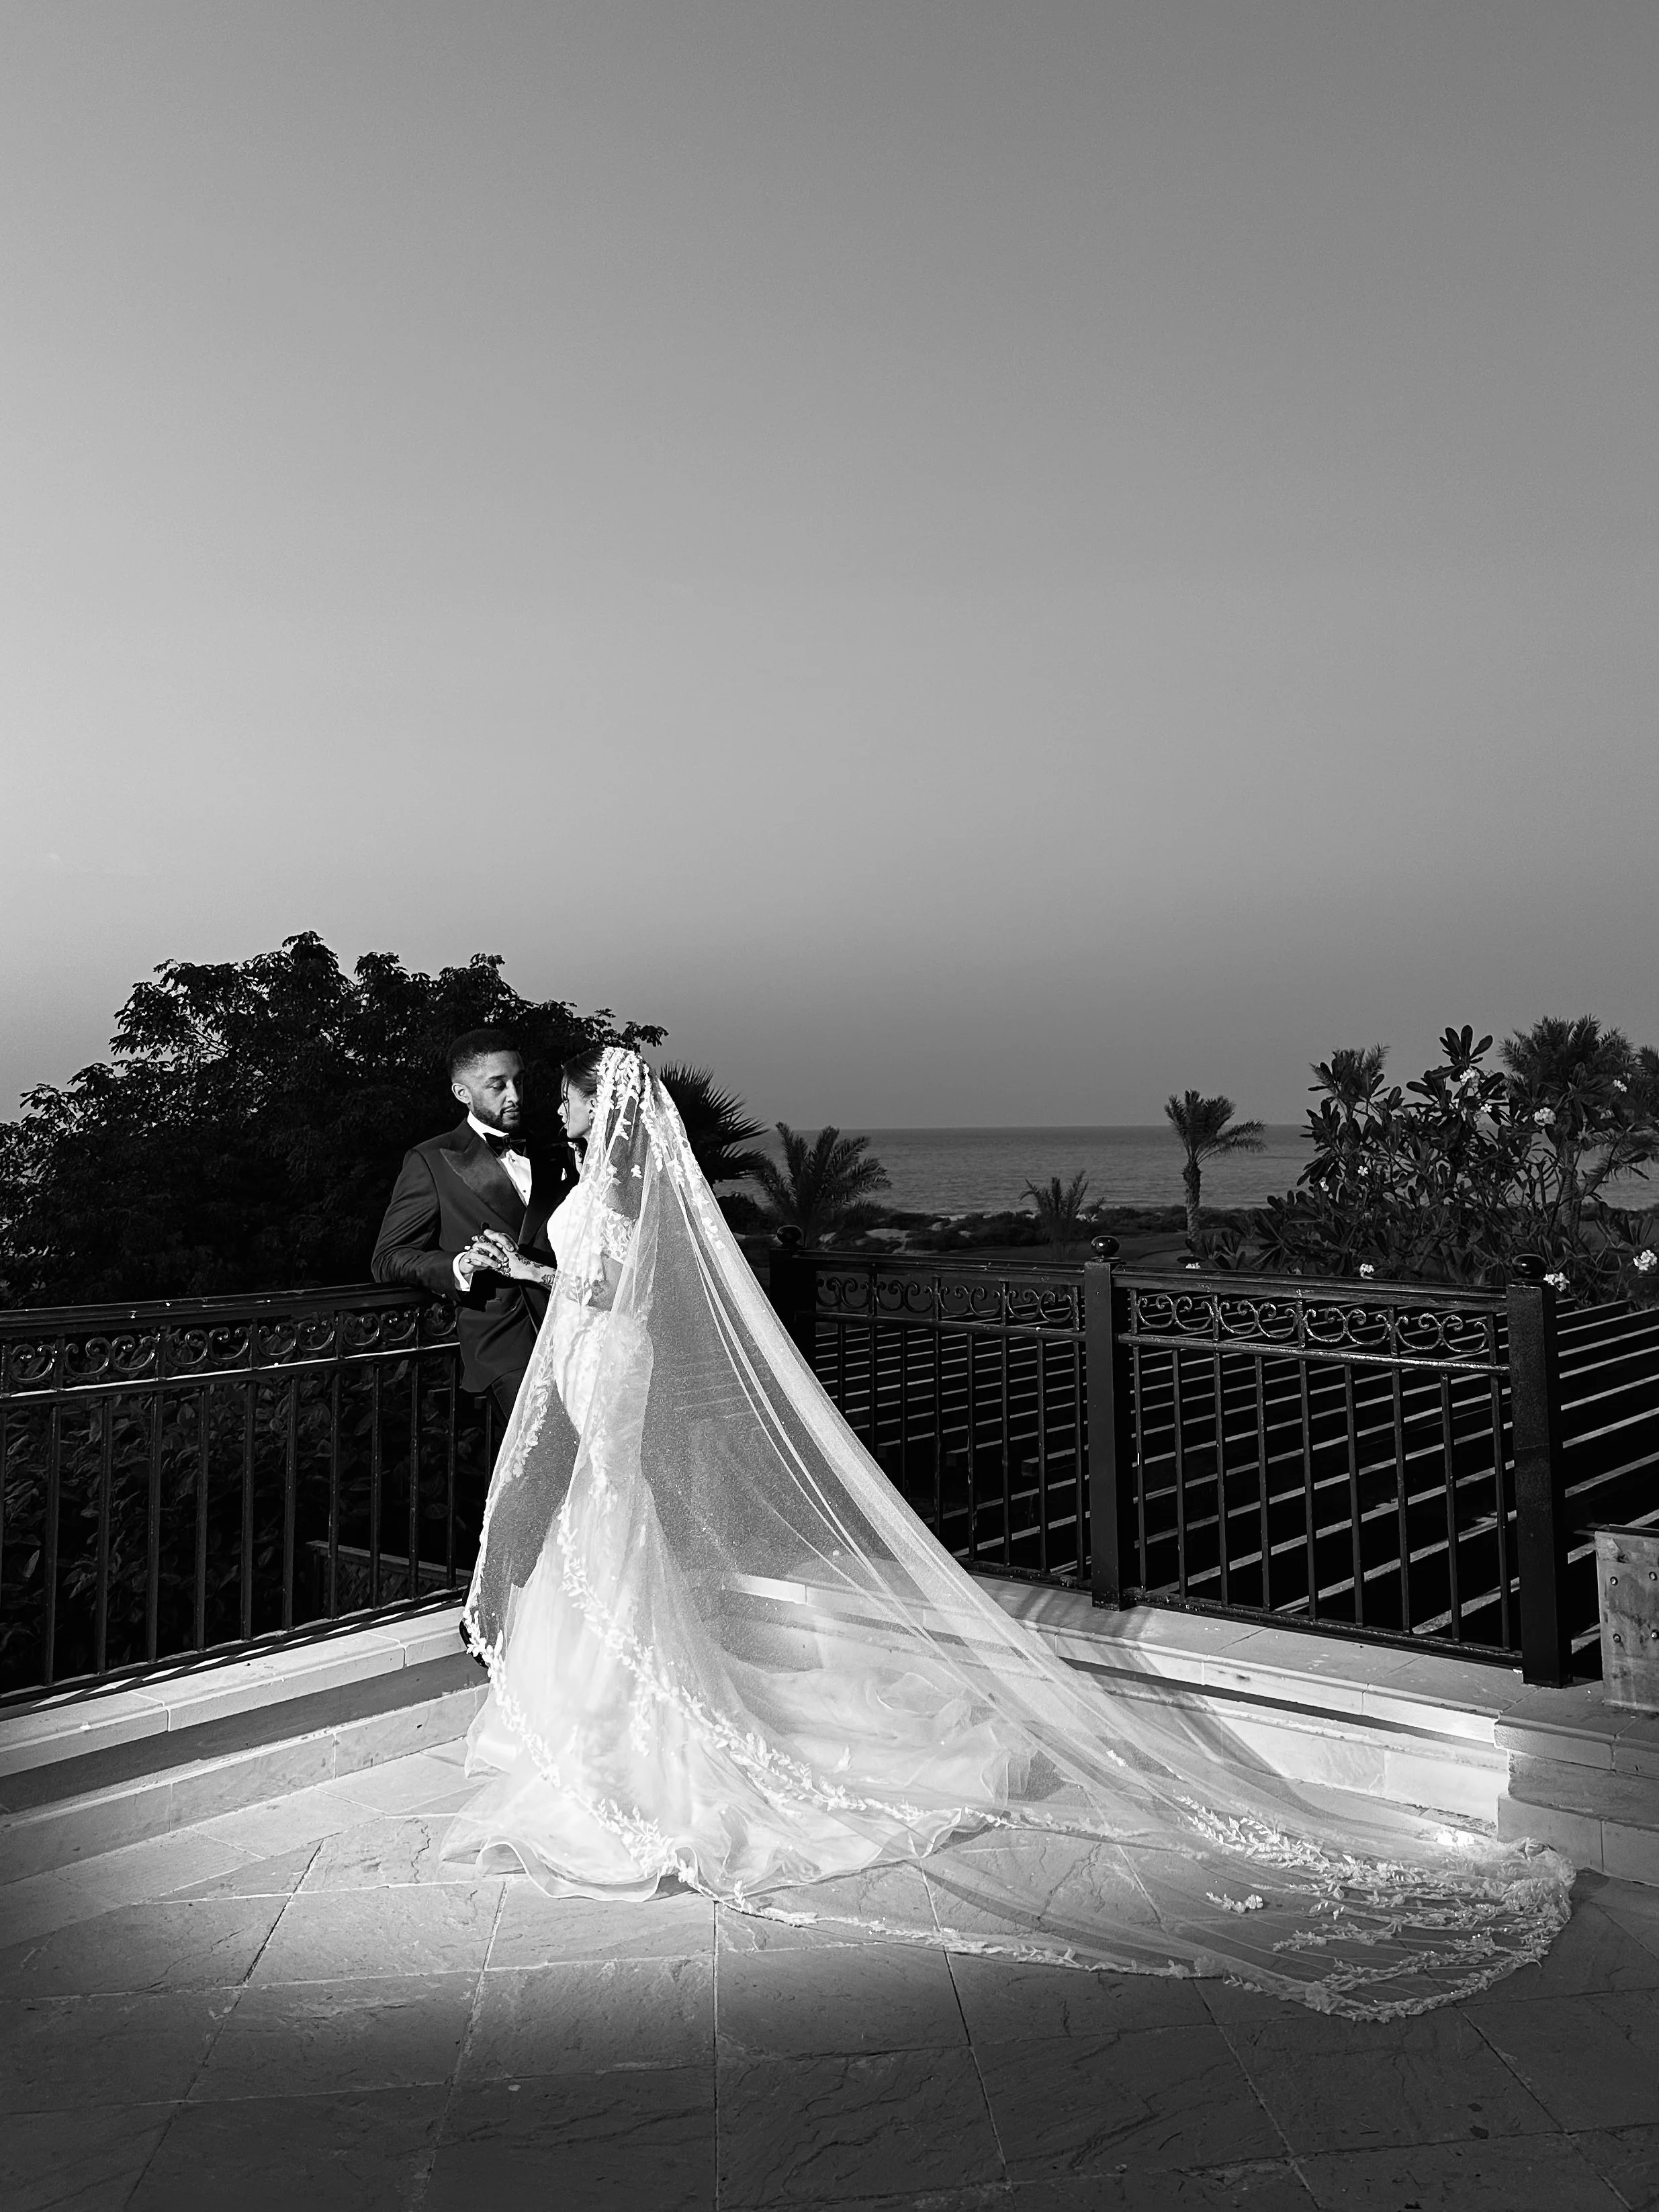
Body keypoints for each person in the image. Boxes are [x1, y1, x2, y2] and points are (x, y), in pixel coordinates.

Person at [444, 1047, 1574, 2017]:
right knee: (603, 1530)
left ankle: (629, 1740)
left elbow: (610, 1295)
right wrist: (538, 1262)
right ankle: (606, 1722)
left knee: (605, 1526)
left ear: (611, 1102)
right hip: (600, 1368)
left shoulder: (618, 1191)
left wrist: (524, 1266)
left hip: (606, 1360)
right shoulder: (607, 1175)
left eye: (578, 1097)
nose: (563, 1108)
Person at [371, 1028, 576, 1427]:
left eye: (519, 1080)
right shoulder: (431, 1160)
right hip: (505, 1343)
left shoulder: (559, 1149)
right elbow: (389, 1258)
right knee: (548, 1473)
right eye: (498, 1086)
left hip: (576, 1327)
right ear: (462, 1093)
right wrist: (459, 1265)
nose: (515, 1095)